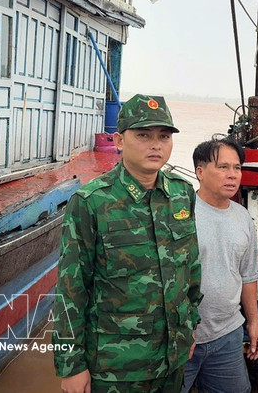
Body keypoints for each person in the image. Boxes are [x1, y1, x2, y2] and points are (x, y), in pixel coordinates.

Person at [53, 94, 203, 393]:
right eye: (143, 135)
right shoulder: (92, 201)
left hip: (172, 361)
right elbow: (71, 290)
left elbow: (191, 271)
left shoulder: (182, 194)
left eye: (164, 136)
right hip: (116, 369)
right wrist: (72, 365)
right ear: (120, 141)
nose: (156, 144)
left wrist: (188, 329)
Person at [182, 138, 258, 393]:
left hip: (227, 334)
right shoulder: (180, 215)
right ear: (200, 172)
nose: (232, 175)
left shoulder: (241, 216)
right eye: (223, 167)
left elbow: (248, 274)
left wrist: (253, 323)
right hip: (183, 337)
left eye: (237, 168)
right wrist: (179, 330)